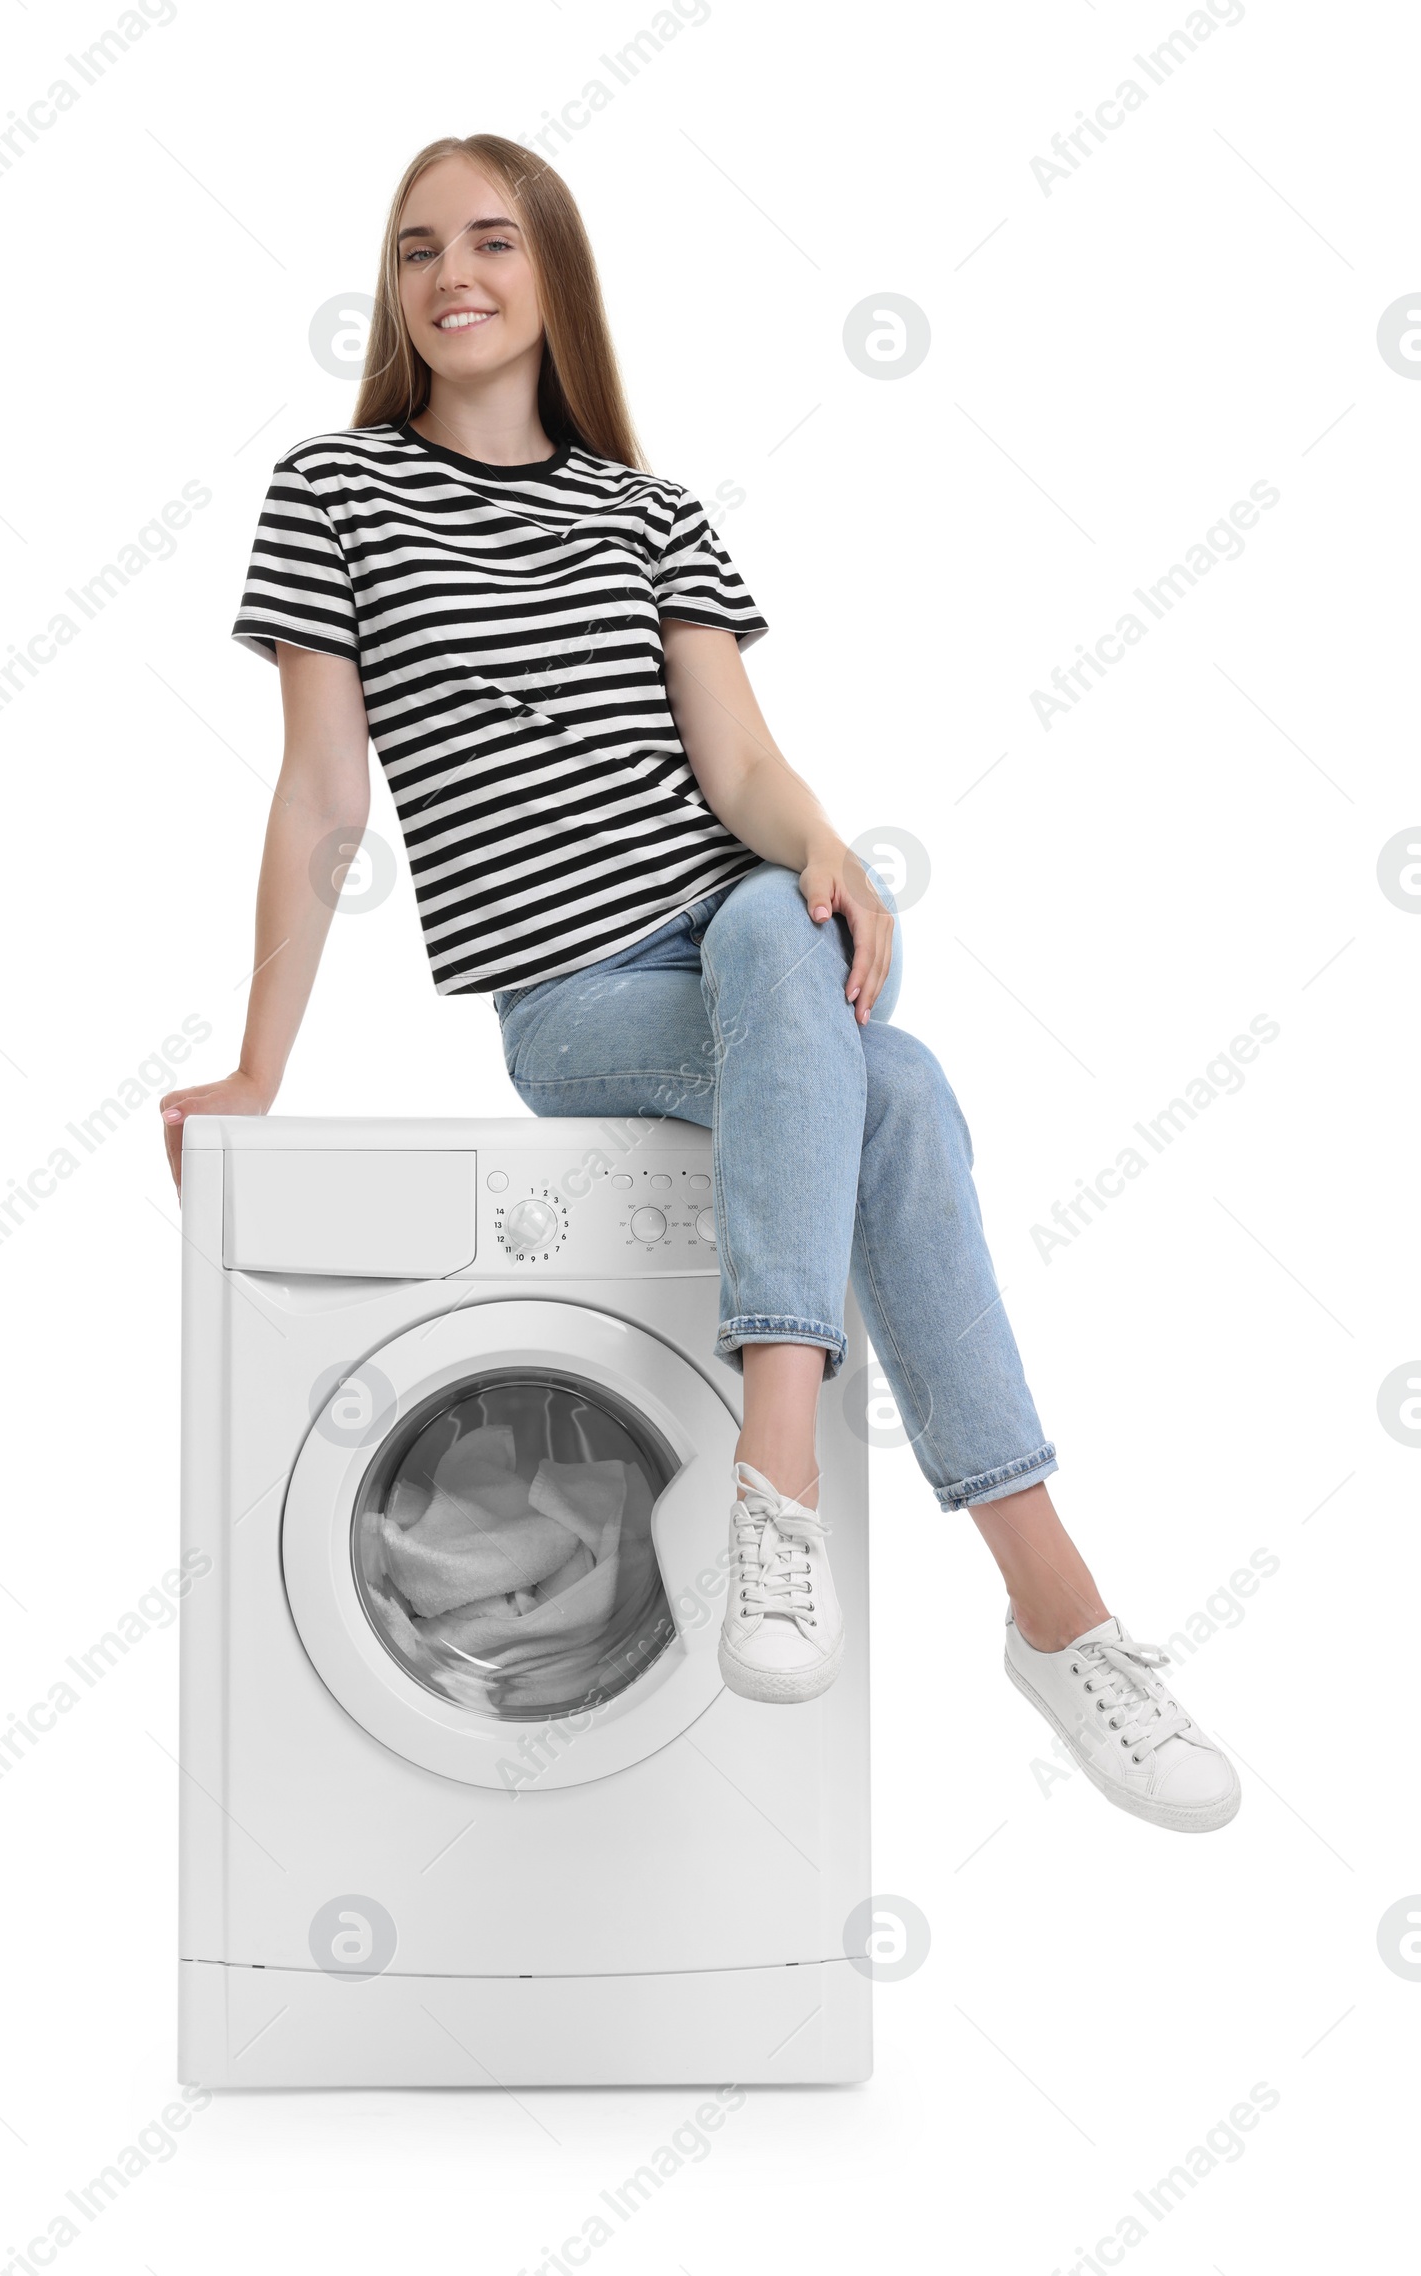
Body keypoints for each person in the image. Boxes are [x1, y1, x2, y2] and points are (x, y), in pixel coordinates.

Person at [159, 133, 1240, 1834]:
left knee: (793, 949)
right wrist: (253, 1070)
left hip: (737, 938)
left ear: (553, 275)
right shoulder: (335, 493)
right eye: (420, 246)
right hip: (578, 991)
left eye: (494, 241)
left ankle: (928, 1558)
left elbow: (735, 762)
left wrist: (831, 851)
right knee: (889, 1078)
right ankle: (960, 1571)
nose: (454, 272)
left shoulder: (653, 515)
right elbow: (321, 798)